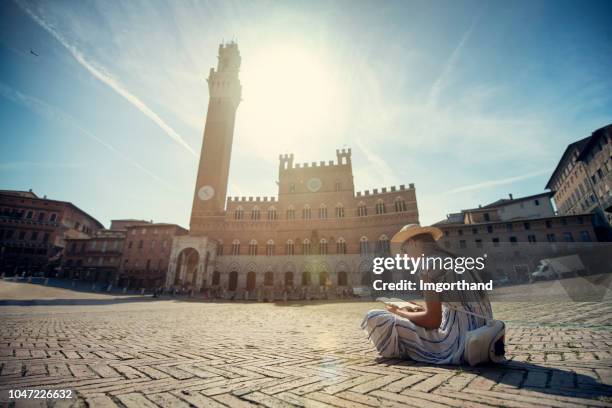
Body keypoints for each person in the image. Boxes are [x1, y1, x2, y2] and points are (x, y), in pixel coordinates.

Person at [362, 224, 503, 365]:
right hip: (483, 336)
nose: (406, 257)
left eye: (405, 251)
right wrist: (420, 309)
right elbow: (456, 309)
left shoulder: (427, 265)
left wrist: (399, 311)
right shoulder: (457, 260)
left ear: (413, 243)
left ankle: (407, 350)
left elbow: (432, 321)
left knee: (373, 317)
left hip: (457, 345)